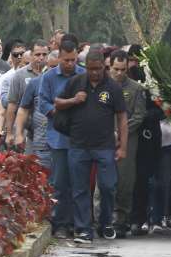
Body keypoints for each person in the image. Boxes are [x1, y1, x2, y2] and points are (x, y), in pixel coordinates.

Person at [57, 49, 127, 244]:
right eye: (90, 69)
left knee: (108, 187)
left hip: (105, 146)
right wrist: (74, 100)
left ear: (104, 67)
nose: (94, 72)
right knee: (80, 189)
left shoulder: (113, 87)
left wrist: (123, 147)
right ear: (85, 67)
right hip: (78, 145)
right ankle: (84, 229)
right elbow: (58, 103)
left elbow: (122, 117)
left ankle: (105, 223)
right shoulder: (75, 82)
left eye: (98, 69)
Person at [35, 37, 86, 237]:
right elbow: (43, 103)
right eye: (66, 60)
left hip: (81, 138)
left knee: (79, 183)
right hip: (58, 138)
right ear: (59, 57)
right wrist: (63, 111)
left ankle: (78, 223)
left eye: (73, 60)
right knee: (59, 183)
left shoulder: (83, 75)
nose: (70, 64)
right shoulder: (49, 77)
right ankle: (60, 223)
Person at [108, 49, 147, 236]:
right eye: (116, 69)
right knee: (103, 181)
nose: (119, 73)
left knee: (124, 181)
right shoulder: (101, 86)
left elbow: (139, 116)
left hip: (128, 140)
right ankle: (102, 218)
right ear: (110, 67)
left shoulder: (136, 89)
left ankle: (121, 220)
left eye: (123, 69)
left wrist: (120, 132)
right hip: (104, 139)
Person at [13, 49, 61, 158]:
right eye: (52, 67)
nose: (55, 70)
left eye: (58, 67)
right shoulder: (36, 82)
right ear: (47, 65)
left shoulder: (73, 82)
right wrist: (19, 134)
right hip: (41, 141)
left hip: (64, 142)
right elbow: (23, 109)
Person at [4, 41, 47, 151]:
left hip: (49, 131)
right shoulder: (19, 75)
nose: (41, 58)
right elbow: (12, 105)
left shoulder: (52, 73)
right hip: (27, 130)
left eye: (44, 54)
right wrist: (10, 133)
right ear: (31, 55)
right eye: (38, 54)